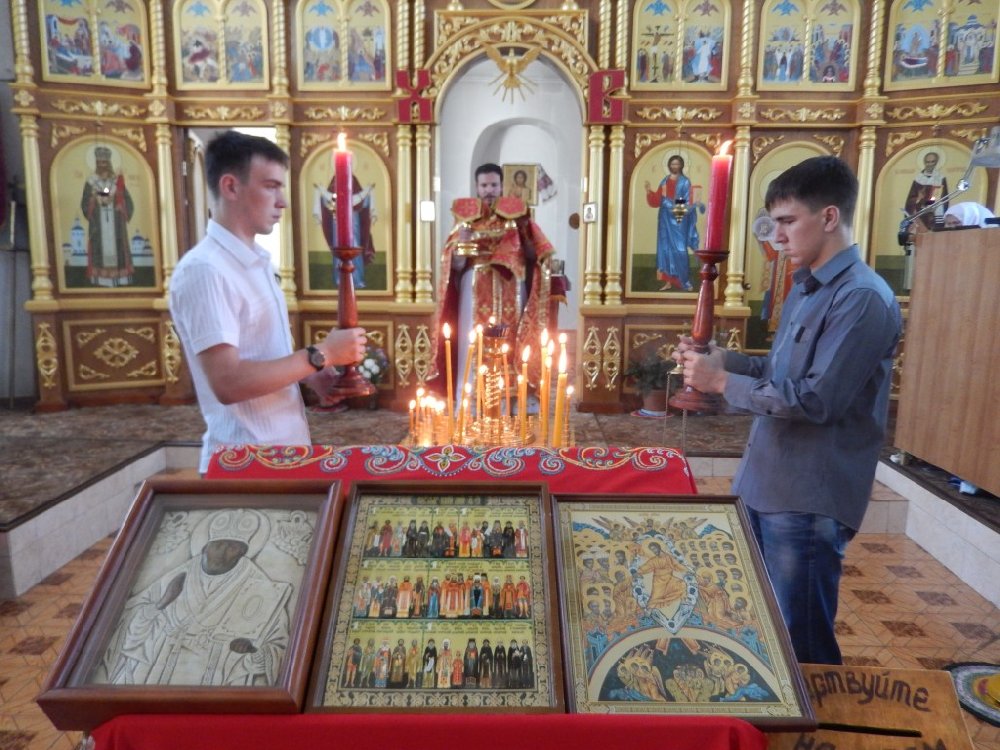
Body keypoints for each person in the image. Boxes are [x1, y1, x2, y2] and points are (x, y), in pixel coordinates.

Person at [674, 155, 902, 664]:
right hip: (766, 481)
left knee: (802, 645)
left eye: (786, 221)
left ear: (829, 217)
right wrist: (721, 360)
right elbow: (780, 372)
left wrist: (721, 382)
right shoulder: (807, 285)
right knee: (765, 629)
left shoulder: (862, 298)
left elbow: (816, 400)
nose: (776, 237)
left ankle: (814, 718)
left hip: (807, 496)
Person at [169, 131, 367, 473]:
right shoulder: (206, 270)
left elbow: (260, 354)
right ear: (231, 187)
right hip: (244, 463)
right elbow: (228, 382)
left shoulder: (256, 261)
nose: (283, 202)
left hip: (280, 453)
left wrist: (310, 375)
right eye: (271, 186)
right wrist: (321, 355)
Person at [100, 509, 292, 686]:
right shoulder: (177, 577)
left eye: (232, 547)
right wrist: (161, 604)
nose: (222, 553)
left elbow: (278, 646)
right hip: (158, 672)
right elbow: (128, 624)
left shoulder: (262, 589)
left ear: (242, 553)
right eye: (218, 545)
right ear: (204, 547)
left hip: (215, 677)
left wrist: (252, 649)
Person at [431, 162, 555, 397]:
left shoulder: (518, 216)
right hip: (474, 287)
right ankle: (470, 395)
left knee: (510, 338)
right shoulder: (465, 218)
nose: (489, 190)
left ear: (501, 186)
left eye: (493, 185)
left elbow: (533, 255)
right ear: (477, 187)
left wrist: (524, 235)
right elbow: (454, 266)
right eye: (484, 185)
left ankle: (511, 397)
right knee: (472, 339)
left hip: (511, 286)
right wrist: (462, 244)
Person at [81, 145, 135, 287]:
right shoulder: (91, 181)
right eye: (100, 163)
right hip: (99, 223)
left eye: (105, 163)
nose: (103, 166)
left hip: (115, 222)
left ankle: (120, 278)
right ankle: (100, 279)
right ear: (96, 163)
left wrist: (120, 204)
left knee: (118, 247)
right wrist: (95, 199)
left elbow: (126, 199)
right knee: (99, 247)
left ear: (110, 163)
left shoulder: (116, 181)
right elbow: (85, 202)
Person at [645, 155, 699, 291]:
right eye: (672, 164)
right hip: (664, 219)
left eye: (677, 164)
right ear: (669, 166)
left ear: (681, 166)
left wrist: (669, 204)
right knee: (665, 249)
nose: (674, 166)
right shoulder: (665, 180)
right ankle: (668, 282)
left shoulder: (685, 182)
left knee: (680, 249)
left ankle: (684, 281)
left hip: (678, 219)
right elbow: (658, 199)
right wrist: (649, 191)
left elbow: (686, 201)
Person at [315, 171, 377, 289]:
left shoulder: (353, 180)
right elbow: (329, 200)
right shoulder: (335, 182)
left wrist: (368, 191)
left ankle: (357, 279)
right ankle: (339, 278)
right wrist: (321, 191)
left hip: (354, 221)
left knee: (355, 246)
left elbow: (361, 201)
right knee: (338, 246)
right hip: (337, 221)